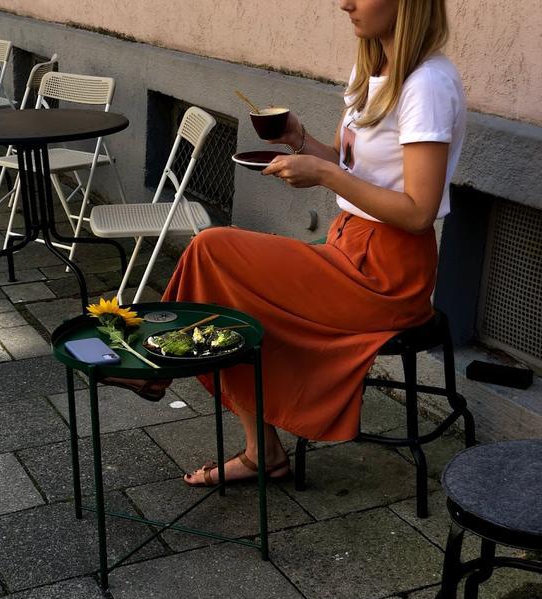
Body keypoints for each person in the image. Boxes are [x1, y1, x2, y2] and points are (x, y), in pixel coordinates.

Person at [129, 0, 466, 487]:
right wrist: (300, 141)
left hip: (386, 277)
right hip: (347, 248)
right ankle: (260, 451)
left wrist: (326, 175)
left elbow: (418, 212)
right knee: (227, 283)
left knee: (213, 249)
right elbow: (354, 167)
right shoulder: (373, 69)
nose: (344, 3)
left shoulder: (427, 84)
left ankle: (156, 366)